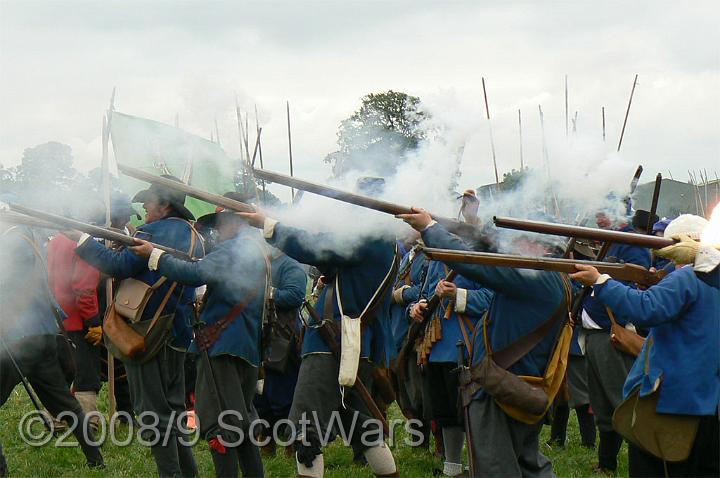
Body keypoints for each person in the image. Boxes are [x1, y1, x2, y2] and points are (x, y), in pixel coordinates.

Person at [238, 178, 400, 478]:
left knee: (305, 432)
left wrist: (270, 225)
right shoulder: (380, 242)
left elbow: (319, 249)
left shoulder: (369, 238)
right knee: (363, 427)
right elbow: (334, 261)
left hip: (333, 345)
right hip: (350, 343)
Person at [398, 207, 571, 477]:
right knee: (527, 465)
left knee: (495, 467)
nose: (510, 246)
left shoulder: (537, 275)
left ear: (535, 245)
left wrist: (430, 227)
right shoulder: (548, 276)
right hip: (517, 382)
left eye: (516, 240)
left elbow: (475, 264)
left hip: (502, 385)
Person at [570, 213, 719, 478]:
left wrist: (600, 281)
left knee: (655, 465)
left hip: (674, 399)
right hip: (708, 399)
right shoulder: (704, 279)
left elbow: (644, 310)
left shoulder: (687, 278)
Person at [73, 177, 204, 477]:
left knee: (154, 417)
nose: (144, 206)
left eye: (150, 201)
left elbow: (116, 266)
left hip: (148, 331)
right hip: (179, 331)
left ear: (165, 205)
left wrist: (82, 239)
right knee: (172, 412)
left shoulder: (152, 232)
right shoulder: (194, 235)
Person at [131, 196, 269, 478]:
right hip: (244, 345)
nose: (218, 230)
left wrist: (154, 256)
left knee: (219, 423)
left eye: (221, 222)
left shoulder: (232, 250)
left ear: (234, 220)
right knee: (240, 422)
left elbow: (196, 274)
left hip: (222, 345)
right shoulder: (255, 250)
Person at [0, 218, 104, 473]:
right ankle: (96, 459)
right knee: (64, 404)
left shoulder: (12, 241)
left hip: (18, 337)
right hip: (44, 334)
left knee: (64, 404)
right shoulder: (30, 237)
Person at [581, 209, 653, 474]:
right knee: (602, 407)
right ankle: (606, 463)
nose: (598, 218)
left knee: (621, 404)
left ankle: (642, 464)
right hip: (594, 335)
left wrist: (620, 322)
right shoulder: (609, 239)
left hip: (612, 334)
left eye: (603, 212)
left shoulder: (632, 243)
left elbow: (634, 287)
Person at [409, 261, 492, 477]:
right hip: (436, 348)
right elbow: (426, 295)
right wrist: (417, 307)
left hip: (466, 346)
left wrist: (458, 294)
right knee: (444, 411)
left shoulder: (475, 256)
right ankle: (452, 467)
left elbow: (492, 299)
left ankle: (480, 468)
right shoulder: (435, 260)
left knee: (469, 413)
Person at [253, 245, 308, 456]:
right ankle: (266, 441)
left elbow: (294, 296)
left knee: (283, 394)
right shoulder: (263, 264)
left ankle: (292, 443)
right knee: (261, 397)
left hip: (282, 339)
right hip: (261, 336)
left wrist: (264, 294)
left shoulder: (291, 265)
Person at [47, 228, 103, 429]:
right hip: (77, 319)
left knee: (63, 369)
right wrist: (93, 321)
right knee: (85, 373)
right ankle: (87, 419)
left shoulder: (56, 239)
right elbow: (84, 288)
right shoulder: (83, 243)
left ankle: (56, 416)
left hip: (57, 317)